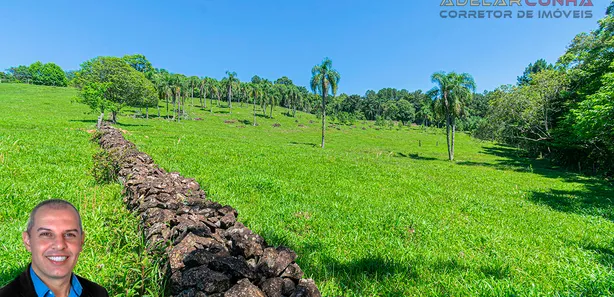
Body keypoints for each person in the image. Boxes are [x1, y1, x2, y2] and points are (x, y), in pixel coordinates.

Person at [0, 199, 109, 297]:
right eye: (46, 234)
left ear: (81, 241)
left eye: (69, 235)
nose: (59, 245)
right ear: (28, 241)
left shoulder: (98, 293)